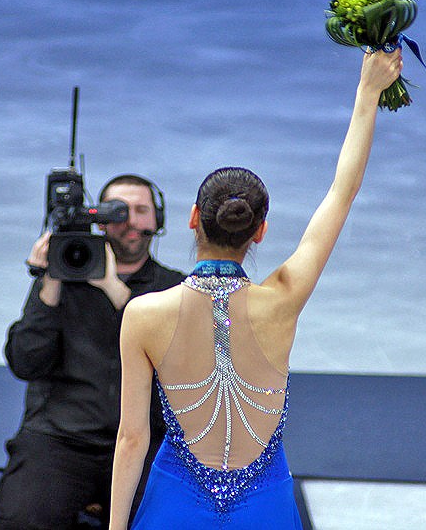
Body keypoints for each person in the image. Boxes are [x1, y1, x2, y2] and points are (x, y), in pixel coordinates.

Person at [108, 49, 403, 529]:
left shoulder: (143, 314)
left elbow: (131, 440)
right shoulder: (283, 300)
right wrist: (366, 94)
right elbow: (341, 193)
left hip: (175, 506)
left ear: (192, 220)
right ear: (259, 232)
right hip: (263, 507)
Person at [0, 174, 184, 530]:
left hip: (146, 441)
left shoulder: (172, 288)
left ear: (158, 221)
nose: (130, 221)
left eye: (141, 210)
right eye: (118, 211)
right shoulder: (63, 278)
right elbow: (25, 361)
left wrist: (113, 288)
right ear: (99, 220)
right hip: (62, 439)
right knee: (18, 521)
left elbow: (181, 363)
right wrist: (49, 281)